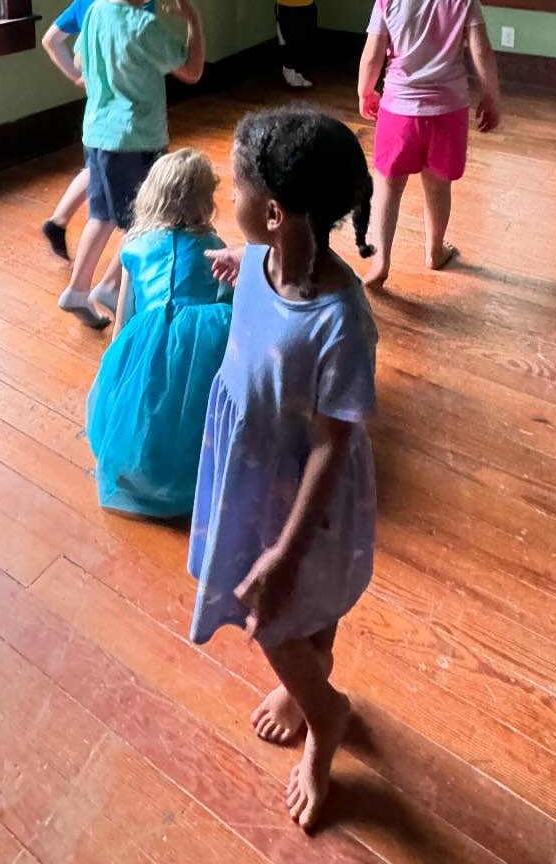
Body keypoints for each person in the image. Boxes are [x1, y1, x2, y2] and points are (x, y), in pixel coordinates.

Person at [189, 108, 377, 834]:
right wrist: (246, 271)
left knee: (272, 613)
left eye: (233, 183)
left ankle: (325, 715)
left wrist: (283, 549)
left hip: (305, 500)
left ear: (272, 213)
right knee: (304, 612)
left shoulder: (342, 320)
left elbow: (334, 445)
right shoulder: (262, 260)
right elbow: (266, 287)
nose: (223, 189)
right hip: (252, 473)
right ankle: (308, 690)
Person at [56, 0, 205, 328]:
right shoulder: (144, 26)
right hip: (136, 141)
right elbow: (191, 71)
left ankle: (81, 288)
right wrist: (193, 21)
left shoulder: (95, 12)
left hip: (97, 136)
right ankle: (118, 307)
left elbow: (83, 66)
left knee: (102, 216)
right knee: (145, 226)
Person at [356, 0, 500, 288]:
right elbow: (480, 52)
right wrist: (491, 96)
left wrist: (365, 91)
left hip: (399, 111)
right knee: (438, 185)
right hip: (448, 112)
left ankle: (381, 261)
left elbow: (372, 57)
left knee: (387, 186)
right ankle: (434, 250)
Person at [85, 149, 232, 516]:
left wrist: (116, 364)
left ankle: (141, 467)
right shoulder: (213, 247)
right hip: (202, 343)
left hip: (146, 339)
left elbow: (123, 319)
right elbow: (227, 296)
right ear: (204, 201)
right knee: (190, 408)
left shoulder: (134, 246)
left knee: (145, 402)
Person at [40, 0, 142, 260]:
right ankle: (120, 277)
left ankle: (57, 221)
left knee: (96, 169)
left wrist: (76, 75)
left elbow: (52, 40)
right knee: (127, 196)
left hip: (98, 108)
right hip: (128, 112)